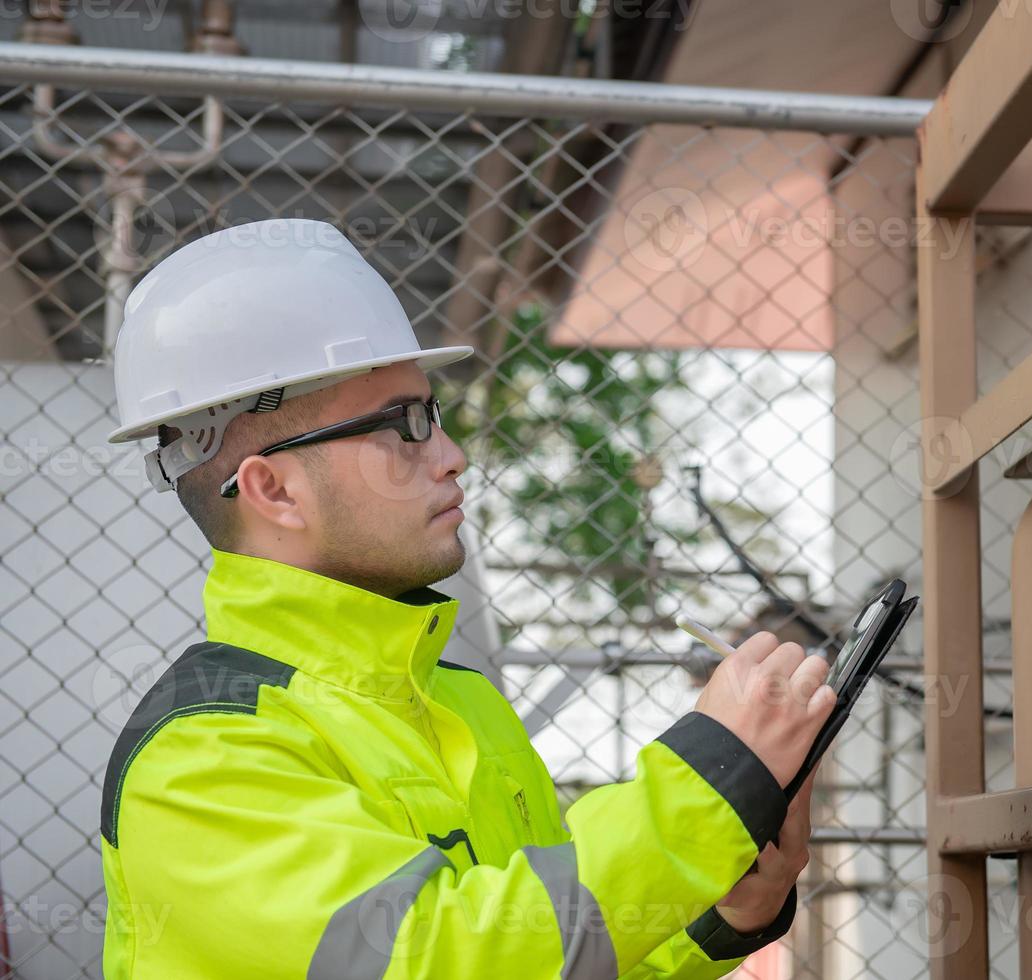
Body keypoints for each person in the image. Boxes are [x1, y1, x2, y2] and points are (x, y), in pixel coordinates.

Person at [99, 218, 837, 978]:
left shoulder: (464, 703)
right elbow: (436, 958)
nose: (452, 458)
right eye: (402, 429)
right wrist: (706, 785)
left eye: (436, 416)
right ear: (275, 489)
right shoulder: (203, 756)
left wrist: (722, 921)